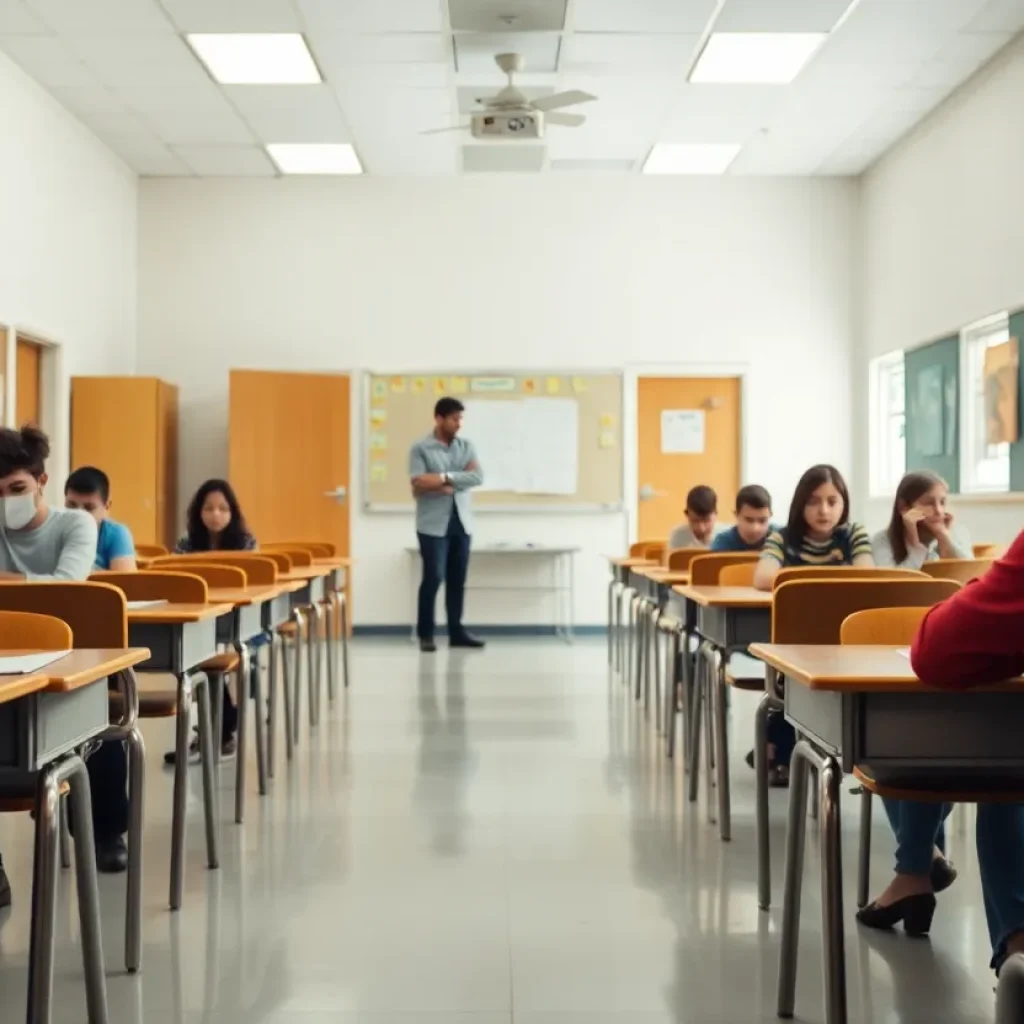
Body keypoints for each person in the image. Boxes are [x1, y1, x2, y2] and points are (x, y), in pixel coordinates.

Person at [857, 531, 1024, 975]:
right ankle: (915, 866)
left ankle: (1017, 951)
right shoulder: (871, 541)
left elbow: (937, 648)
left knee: (914, 730)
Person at [0, 427, 131, 903]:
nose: (6, 501)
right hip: (7, 666)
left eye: (16, 489)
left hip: (79, 660)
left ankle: (106, 832)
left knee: (100, 714)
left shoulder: (75, 525)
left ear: (40, 481)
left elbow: (65, 589)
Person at [752, 465, 873, 783]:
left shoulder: (853, 534)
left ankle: (775, 746)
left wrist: (801, 582)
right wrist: (832, 578)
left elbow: (867, 574)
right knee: (793, 683)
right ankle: (781, 749)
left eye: (833, 501)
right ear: (799, 504)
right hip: (794, 644)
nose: (824, 510)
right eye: (814, 501)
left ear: (844, 503)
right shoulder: (782, 537)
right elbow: (763, 576)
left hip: (842, 644)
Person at [164, 479, 256, 765]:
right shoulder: (187, 542)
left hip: (238, 619)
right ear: (198, 512)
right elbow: (177, 583)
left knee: (219, 657)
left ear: (232, 512)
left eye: (222, 508)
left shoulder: (245, 543)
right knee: (196, 660)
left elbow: (252, 586)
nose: (215, 514)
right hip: (200, 616)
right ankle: (208, 732)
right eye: (209, 508)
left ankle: (221, 731)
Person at [409, 396, 484, 653]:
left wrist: (443, 479)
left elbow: (477, 476)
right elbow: (419, 482)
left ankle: (456, 631)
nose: (458, 424)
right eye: (454, 419)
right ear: (439, 418)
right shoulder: (420, 448)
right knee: (434, 577)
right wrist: (453, 481)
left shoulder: (466, 446)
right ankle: (426, 634)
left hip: (461, 523)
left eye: (460, 418)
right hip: (432, 525)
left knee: (457, 578)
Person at [870, 470, 970, 568]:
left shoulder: (957, 533)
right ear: (904, 507)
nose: (939, 511)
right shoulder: (882, 540)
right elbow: (895, 583)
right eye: (928, 503)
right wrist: (915, 547)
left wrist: (944, 538)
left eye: (942, 502)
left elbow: (970, 577)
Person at [64, 465, 137, 571]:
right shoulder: (53, 530)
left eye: (89, 508)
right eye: (71, 505)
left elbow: (127, 586)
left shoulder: (116, 534)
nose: (78, 515)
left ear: (107, 506)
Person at [710, 485, 774, 552]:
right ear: (736, 515)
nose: (755, 529)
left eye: (762, 521)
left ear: (770, 516)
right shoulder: (722, 542)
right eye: (749, 520)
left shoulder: (781, 538)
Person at [668, 485, 723, 549]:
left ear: (716, 515)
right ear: (687, 515)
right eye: (695, 521)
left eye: (707, 520)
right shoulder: (677, 535)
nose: (701, 528)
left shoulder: (729, 536)